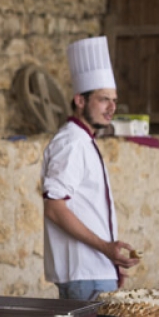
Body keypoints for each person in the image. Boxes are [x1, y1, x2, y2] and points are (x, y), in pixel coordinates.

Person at [42, 36, 141, 300]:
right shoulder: (71, 143)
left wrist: (111, 262)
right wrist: (106, 249)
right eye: (103, 100)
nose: (112, 108)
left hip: (95, 272)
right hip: (83, 274)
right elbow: (55, 208)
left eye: (114, 100)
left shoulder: (85, 141)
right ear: (80, 100)